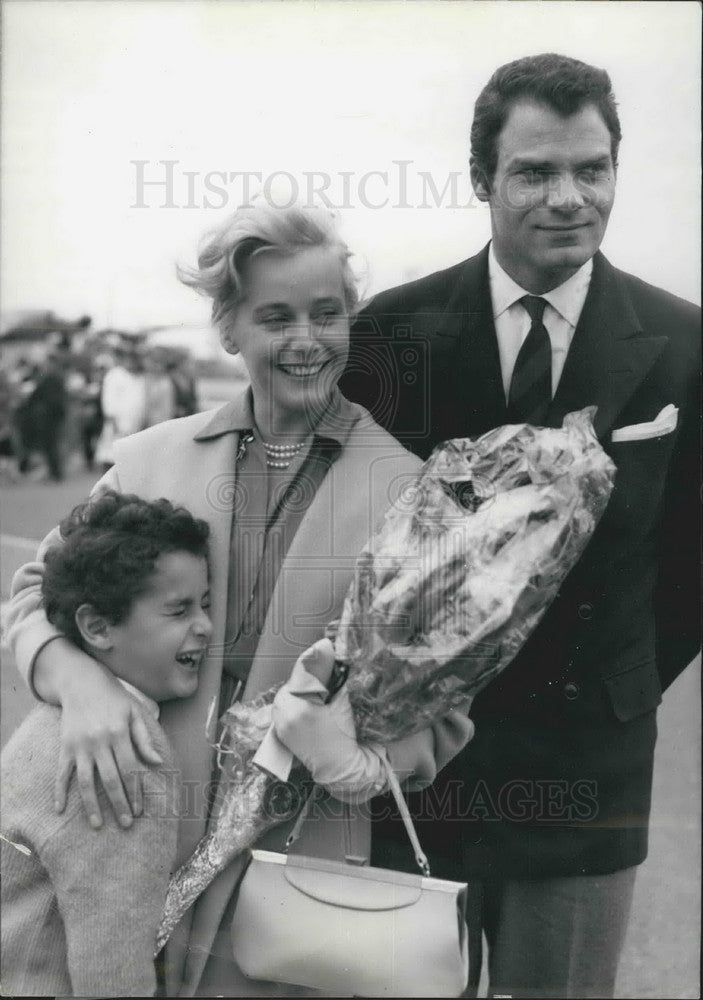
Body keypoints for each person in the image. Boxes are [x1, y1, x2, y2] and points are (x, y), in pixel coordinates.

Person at [5, 202, 474, 997]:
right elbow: (33, 593)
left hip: (293, 863)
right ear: (228, 329)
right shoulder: (150, 459)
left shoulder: (411, 491)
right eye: (274, 316)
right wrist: (75, 680)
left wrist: (364, 765)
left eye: (327, 314)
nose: (305, 339)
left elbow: (448, 706)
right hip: (127, 834)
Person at [339, 52, 701, 998]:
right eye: (535, 171)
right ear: (481, 181)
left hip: (585, 764)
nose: (568, 197)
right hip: (413, 762)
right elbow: (347, 540)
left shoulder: (686, 347)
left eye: (592, 168)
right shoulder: (389, 335)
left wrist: (618, 683)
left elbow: (693, 563)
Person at [1, 490, 213, 996]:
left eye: (205, 605)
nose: (205, 626)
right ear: (96, 626)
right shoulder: (126, 756)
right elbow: (111, 970)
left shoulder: (52, 720)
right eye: (179, 610)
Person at [94, 337, 147, 470]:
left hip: (133, 425)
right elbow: (109, 402)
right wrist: (113, 421)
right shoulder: (114, 375)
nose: (132, 362)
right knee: (112, 457)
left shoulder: (137, 377)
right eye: (128, 358)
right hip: (117, 424)